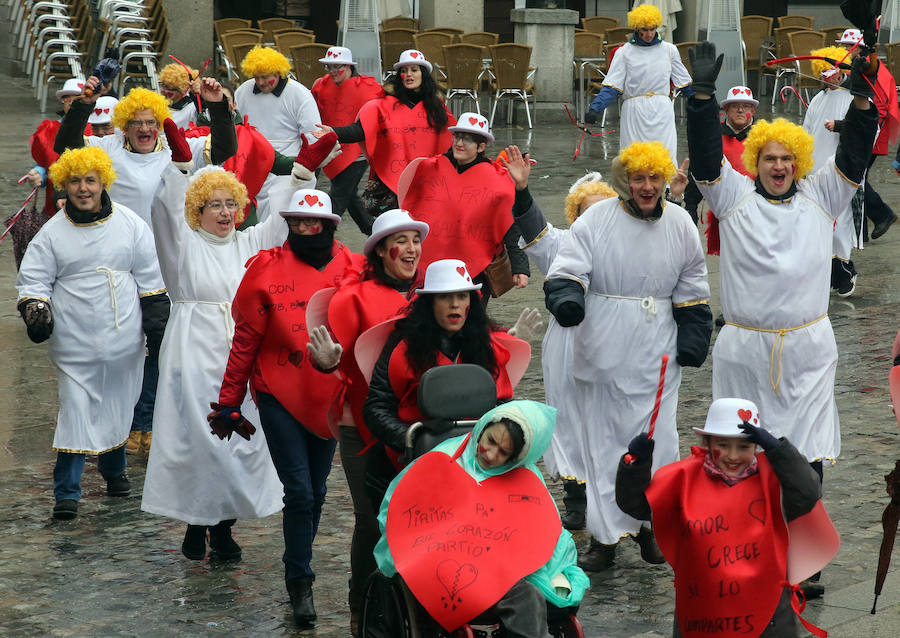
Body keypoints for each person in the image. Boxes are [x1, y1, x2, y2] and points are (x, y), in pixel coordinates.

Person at [687, 41, 878, 594]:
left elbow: (854, 158)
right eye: (768, 157)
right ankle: (746, 548)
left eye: (785, 158)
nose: (777, 165)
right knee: (740, 455)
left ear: (799, 162)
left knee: (805, 459)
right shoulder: (734, 199)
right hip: (745, 352)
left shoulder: (823, 197)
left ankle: (805, 555)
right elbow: (703, 160)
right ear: (756, 163)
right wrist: (701, 99)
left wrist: (863, 105)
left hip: (808, 351)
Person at [544, 139, 712, 571]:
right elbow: (568, 267)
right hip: (602, 340)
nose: (647, 186)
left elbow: (693, 283)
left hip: (657, 347)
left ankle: (650, 527)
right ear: (626, 180)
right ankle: (605, 538)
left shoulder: (680, 224)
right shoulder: (596, 220)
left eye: (654, 177)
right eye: (638, 177)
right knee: (602, 445)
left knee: (659, 443)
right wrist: (568, 300)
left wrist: (694, 333)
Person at [54, 75, 237, 457]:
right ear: (124, 124)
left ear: (159, 124)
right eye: (136, 122)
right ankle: (116, 420)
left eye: (150, 122)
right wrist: (84, 104)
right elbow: (65, 147)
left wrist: (218, 106)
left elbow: (223, 150)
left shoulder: (180, 148)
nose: (144, 129)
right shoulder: (107, 148)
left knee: (159, 342)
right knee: (121, 342)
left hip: (169, 260)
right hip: (117, 259)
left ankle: (147, 421)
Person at [210, 189, 365, 628]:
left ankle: (299, 558)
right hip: (277, 391)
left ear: (330, 226)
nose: (303, 230)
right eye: (295, 223)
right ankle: (301, 582)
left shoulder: (354, 269)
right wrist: (228, 401)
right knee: (297, 491)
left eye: (311, 224)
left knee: (316, 493)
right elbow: (245, 342)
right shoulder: (266, 270)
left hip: (331, 396)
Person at [140, 162, 301, 561]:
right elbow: (163, 212)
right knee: (202, 442)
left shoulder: (247, 244)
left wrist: (301, 174)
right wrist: (178, 168)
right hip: (193, 352)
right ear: (196, 210)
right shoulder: (183, 243)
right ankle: (198, 521)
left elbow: (281, 225)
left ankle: (222, 526)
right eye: (215, 204)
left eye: (231, 203)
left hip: (242, 354)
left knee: (236, 442)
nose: (225, 212)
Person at [15, 146, 169, 521]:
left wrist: (157, 332)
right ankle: (66, 493)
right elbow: (34, 281)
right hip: (75, 344)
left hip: (123, 341)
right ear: (63, 186)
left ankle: (114, 475)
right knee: (77, 411)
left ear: (103, 182)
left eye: (90, 180)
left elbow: (150, 281)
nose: (83, 188)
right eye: (75, 181)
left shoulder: (131, 223)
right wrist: (36, 310)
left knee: (118, 405)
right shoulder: (51, 234)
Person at [305, 208, 429, 635]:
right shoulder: (354, 297)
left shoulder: (432, 294)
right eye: (402, 240)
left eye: (416, 239)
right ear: (379, 251)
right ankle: (364, 607)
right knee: (371, 518)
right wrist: (323, 362)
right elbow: (328, 352)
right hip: (359, 423)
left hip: (420, 428)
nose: (411, 248)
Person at [616, 398, 834, 638]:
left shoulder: (774, 480)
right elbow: (637, 504)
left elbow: (808, 492)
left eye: (744, 447)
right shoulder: (683, 478)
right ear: (708, 443)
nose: (733, 455)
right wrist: (636, 463)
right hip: (702, 613)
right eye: (723, 445)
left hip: (768, 615)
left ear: (756, 446)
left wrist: (779, 451)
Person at [374, 400, 589, 637]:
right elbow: (399, 510)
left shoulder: (526, 480)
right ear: (483, 429)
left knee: (530, 598)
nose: (491, 453)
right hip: (440, 562)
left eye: (504, 452)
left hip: (501, 569)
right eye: (491, 441)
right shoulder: (441, 461)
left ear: (515, 458)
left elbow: (545, 530)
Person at [363, 259, 531, 510]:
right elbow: (376, 406)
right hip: (405, 466)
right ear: (430, 303)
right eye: (445, 297)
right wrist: (416, 441)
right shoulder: (402, 346)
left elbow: (501, 404)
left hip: (474, 464)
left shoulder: (487, 345)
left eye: (462, 296)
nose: (455, 304)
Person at [314, 49, 456, 232]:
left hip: (426, 179)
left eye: (414, 70)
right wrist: (334, 131)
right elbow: (362, 130)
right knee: (392, 228)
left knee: (424, 227)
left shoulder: (437, 108)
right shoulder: (384, 104)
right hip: (391, 179)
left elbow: (451, 139)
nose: (409, 75)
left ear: (424, 74)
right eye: (404, 71)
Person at [398, 112, 529, 298]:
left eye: (467, 139)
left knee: (471, 322)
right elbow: (411, 213)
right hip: (432, 267)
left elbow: (509, 226)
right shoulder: (430, 168)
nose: (459, 143)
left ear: (481, 146)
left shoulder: (497, 181)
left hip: (476, 271)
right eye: (457, 137)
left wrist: (520, 267)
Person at [584, 3, 693, 161]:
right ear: (637, 29)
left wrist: (706, 103)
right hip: (634, 111)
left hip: (662, 110)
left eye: (652, 29)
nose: (649, 34)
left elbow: (684, 84)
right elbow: (612, 86)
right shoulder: (624, 52)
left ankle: (667, 186)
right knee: (633, 157)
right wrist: (595, 108)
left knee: (665, 154)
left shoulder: (670, 50)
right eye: (644, 30)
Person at [234, 46, 322, 222]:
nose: (260, 82)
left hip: (287, 168)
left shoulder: (299, 94)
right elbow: (236, 126)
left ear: (278, 72)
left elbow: (313, 135)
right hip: (251, 164)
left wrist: (308, 166)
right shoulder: (243, 91)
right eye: (256, 77)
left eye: (265, 77)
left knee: (278, 218)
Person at [12, 78, 91, 269]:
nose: (72, 102)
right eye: (68, 98)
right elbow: (42, 163)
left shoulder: (96, 128)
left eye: (77, 98)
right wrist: (38, 174)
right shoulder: (48, 130)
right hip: (55, 204)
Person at [801, 48, 857, 296]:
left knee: (842, 222)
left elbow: (867, 129)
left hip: (841, 169)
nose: (827, 78)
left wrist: (840, 127)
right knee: (819, 221)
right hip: (814, 171)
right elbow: (806, 133)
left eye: (831, 73)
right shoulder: (817, 99)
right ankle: (824, 271)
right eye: (822, 74)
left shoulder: (854, 98)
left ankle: (844, 270)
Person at [311, 46, 384, 234]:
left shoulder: (368, 88)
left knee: (338, 197)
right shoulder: (321, 85)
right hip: (331, 150)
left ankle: (320, 235)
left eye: (338, 67)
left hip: (356, 153)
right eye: (329, 67)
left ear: (350, 66)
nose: (333, 71)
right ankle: (375, 231)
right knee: (350, 196)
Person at [837, 28, 900, 240]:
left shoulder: (870, 70)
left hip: (870, 134)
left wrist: (863, 129)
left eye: (847, 46)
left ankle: (882, 214)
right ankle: (861, 230)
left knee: (855, 178)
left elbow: (880, 106)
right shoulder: (863, 67)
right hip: (866, 132)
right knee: (857, 178)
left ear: (859, 49)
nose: (844, 50)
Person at [158, 62, 198, 129]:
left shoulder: (192, 109)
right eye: (162, 85)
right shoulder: (158, 104)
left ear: (182, 91)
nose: (162, 90)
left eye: (168, 88)